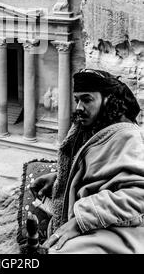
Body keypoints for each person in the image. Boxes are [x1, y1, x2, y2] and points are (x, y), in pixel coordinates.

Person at [31, 68, 144, 254]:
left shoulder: (128, 136)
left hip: (119, 228)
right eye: (77, 100)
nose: (79, 108)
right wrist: (60, 181)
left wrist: (79, 221)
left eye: (87, 99)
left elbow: (138, 194)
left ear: (108, 99)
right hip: (93, 221)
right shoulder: (98, 131)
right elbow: (99, 177)